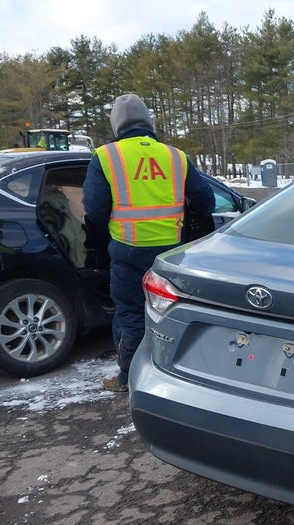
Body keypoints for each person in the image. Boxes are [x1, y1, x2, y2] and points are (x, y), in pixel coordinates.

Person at [83, 93, 214, 392]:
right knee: (170, 312)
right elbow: (206, 201)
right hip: (171, 255)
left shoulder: (105, 156)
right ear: (148, 121)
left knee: (130, 313)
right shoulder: (176, 157)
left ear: (117, 125)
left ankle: (128, 378)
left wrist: (96, 242)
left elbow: (94, 210)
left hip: (127, 251)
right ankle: (173, 371)